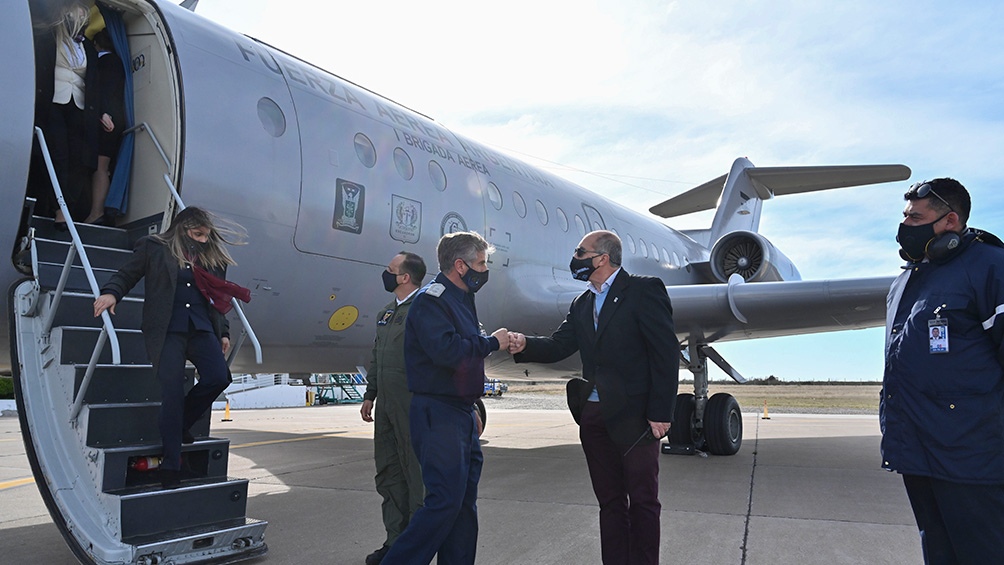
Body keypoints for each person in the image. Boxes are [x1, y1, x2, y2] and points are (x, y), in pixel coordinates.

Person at [508, 230, 679, 565]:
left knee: (643, 500)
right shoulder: (581, 302)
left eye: (580, 252)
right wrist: (523, 343)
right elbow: (559, 345)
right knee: (610, 502)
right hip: (594, 415)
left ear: (602, 258)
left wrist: (661, 411)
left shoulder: (643, 290)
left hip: (636, 415)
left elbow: (665, 352)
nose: (575, 258)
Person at [882, 178, 1004, 564]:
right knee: (939, 552)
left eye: (916, 217)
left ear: (950, 222)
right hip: (919, 452)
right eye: (905, 216)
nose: (905, 226)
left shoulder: (990, 267)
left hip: (973, 458)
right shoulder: (909, 280)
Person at [93, 207, 250, 489]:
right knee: (173, 391)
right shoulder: (154, 247)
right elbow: (129, 273)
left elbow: (215, 297)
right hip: (166, 329)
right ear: (182, 228)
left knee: (218, 377)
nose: (203, 240)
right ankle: (171, 464)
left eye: (206, 235)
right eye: (197, 234)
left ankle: (179, 425)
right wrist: (111, 292)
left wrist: (223, 332)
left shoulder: (210, 256)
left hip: (201, 328)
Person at [381, 231, 509, 565]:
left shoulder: (461, 297)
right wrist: (492, 343)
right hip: (438, 414)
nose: (485, 269)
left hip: (460, 413)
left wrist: (470, 408)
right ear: (460, 265)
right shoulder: (432, 300)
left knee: (464, 505)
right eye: (480, 263)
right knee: (443, 502)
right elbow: (449, 352)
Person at [361, 251, 427, 565]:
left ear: (404, 277)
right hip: (386, 404)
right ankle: (395, 542)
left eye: (390, 270)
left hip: (412, 403)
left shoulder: (426, 309)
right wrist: (369, 394)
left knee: (416, 477)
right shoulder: (386, 313)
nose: (385, 274)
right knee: (388, 473)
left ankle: (417, 546)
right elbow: (377, 356)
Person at [33, 1, 99, 229]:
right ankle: (58, 209)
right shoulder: (49, 35)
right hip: (53, 103)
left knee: (77, 160)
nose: (80, 14)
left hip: (79, 107)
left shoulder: (88, 47)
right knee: (58, 155)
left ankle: (68, 206)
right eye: (76, 10)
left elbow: (93, 82)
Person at [86, 28, 125, 225]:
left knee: (100, 167)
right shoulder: (118, 62)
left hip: (106, 119)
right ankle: (97, 211)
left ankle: (96, 212)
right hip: (114, 117)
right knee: (104, 166)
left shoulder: (105, 62)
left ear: (97, 44)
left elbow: (105, 90)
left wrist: (104, 112)